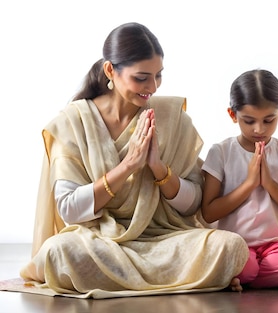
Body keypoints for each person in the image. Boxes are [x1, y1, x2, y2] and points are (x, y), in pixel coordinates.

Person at [20, 22, 248, 298]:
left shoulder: (171, 117)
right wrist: (128, 165)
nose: (152, 87)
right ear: (110, 71)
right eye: (141, 78)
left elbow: (193, 204)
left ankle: (124, 280)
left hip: (163, 239)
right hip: (99, 243)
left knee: (230, 246)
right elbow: (69, 209)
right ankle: (182, 280)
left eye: (158, 76)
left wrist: (159, 169)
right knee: (58, 253)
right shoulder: (73, 122)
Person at [200, 69, 278, 290]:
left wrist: (269, 184)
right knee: (242, 262)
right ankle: (246, 276)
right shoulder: (221, 152)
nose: (259, 129)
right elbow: (208, 212)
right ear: (233, 115)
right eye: (249, 121)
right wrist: (250, 183)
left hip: (277, 247)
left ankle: (238, 280)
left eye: (269, 120)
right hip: (237, 245)